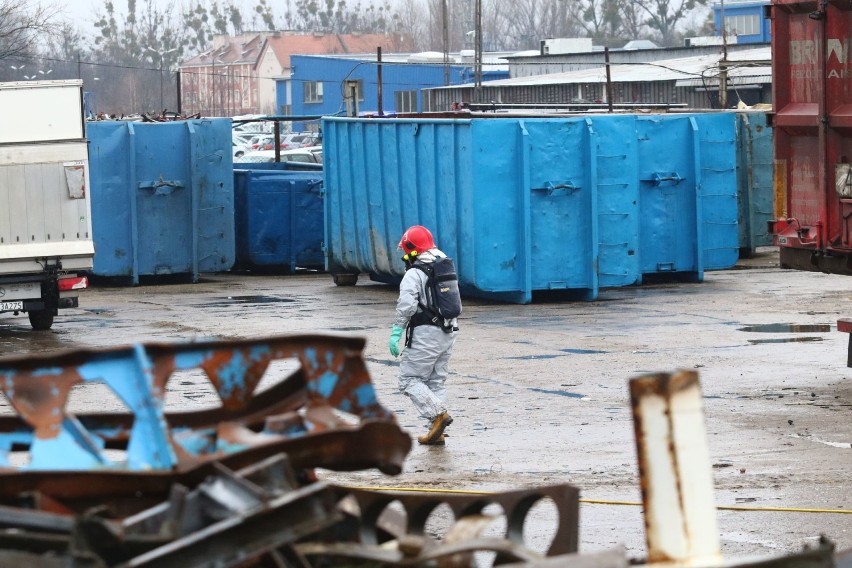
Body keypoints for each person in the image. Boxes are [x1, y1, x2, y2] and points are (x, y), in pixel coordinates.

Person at [389, 225, 460, 446]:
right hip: (449, 331)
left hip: (426, 332)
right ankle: (437, 431)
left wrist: (396, 331)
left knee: (409, 380)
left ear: (412, 249)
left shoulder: (415, 272)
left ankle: (437, 415)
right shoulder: (445, 265)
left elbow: (407, 305)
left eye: (405, 250)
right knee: (436, 380)